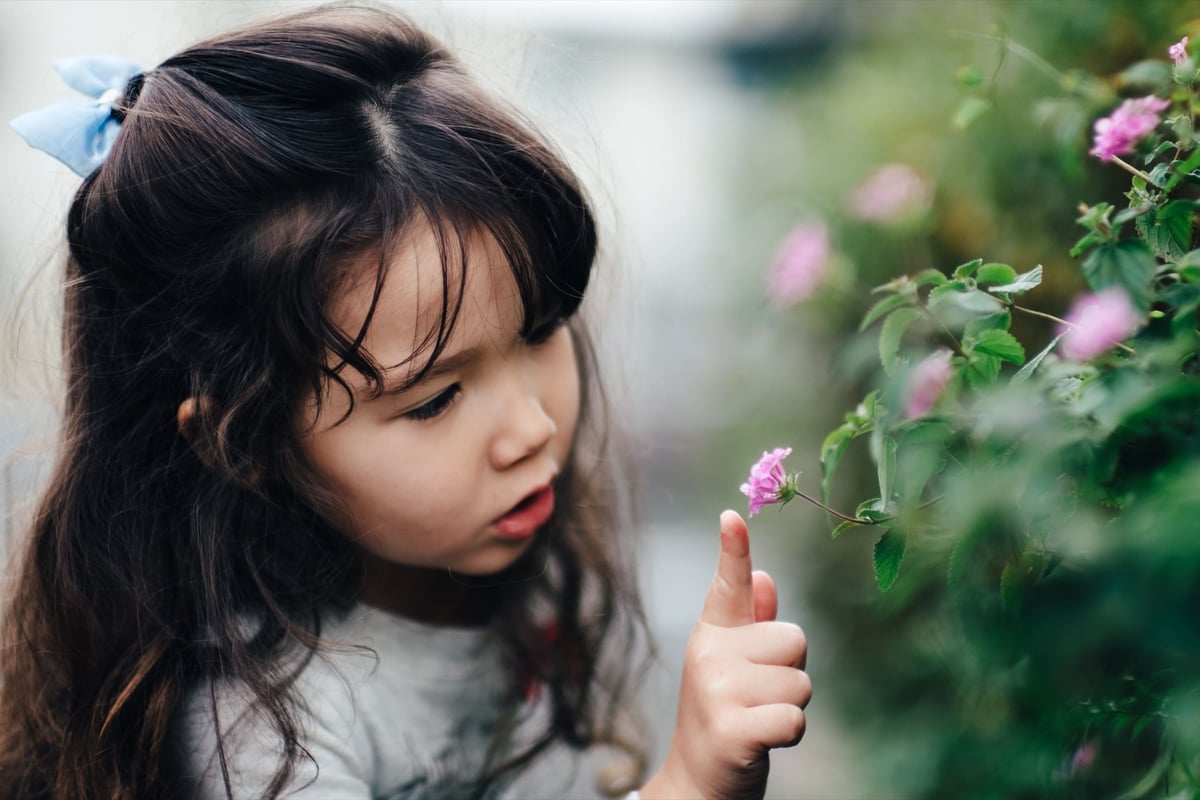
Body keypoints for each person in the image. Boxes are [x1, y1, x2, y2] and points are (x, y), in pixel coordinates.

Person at [0, 5, 811, 799]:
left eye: (541, 330)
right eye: (435, 400)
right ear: (244, 445)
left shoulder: (518, 574)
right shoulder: (263, 740)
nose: (531, 429)